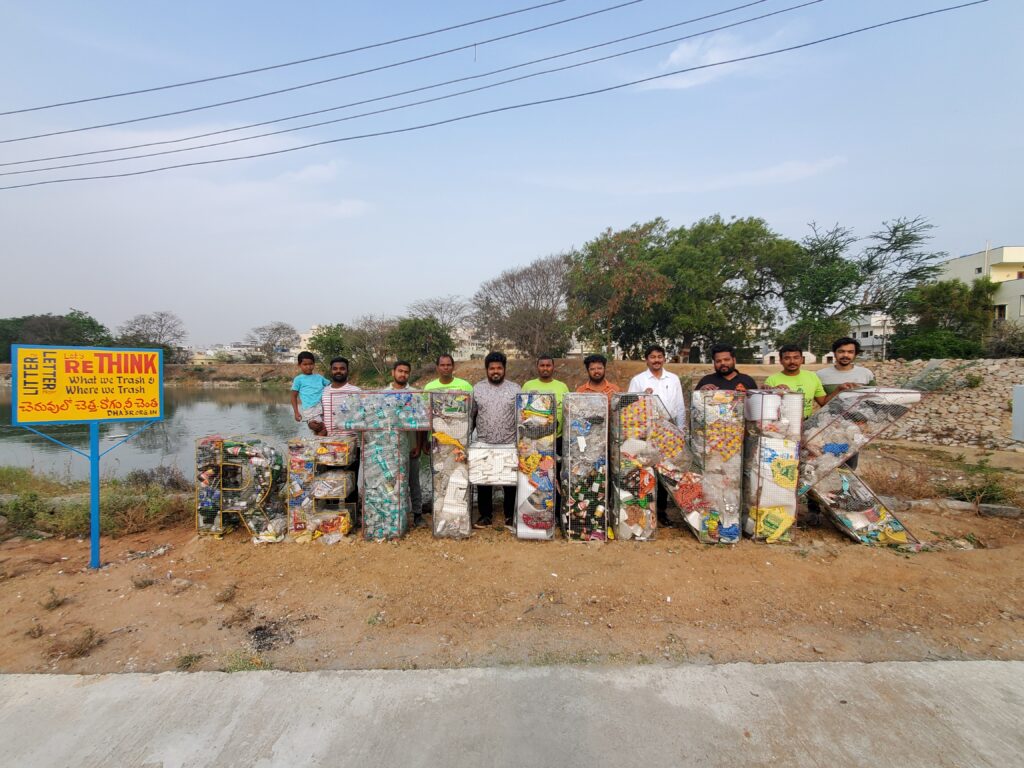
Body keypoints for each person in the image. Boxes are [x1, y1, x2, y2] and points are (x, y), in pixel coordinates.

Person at [628, 344, 686, 527]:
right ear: (647, 359)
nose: (656, 360)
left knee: (666, 471)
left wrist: (681, 430)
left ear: (664, 358)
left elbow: (679, 406)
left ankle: (662, 511)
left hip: (668, 431)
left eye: (659, 356)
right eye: (652, 357)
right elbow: (629, 404)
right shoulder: (638, 380)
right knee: (646, 470)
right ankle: (645, 510)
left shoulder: (673, 379)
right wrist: (642, 397)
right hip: (646, 431)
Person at [471, 351, 521, 529]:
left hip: (509, 442)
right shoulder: (477, 389)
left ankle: (510, 515)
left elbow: (521, 417)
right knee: (483, 481)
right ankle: (485, 516)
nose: (495, 371)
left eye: (499, 368)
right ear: (486, 370)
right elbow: (472, 416)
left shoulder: (515, 389)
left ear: (504, 369)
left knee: (510, 482)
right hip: (484, 442)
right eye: (492, 368)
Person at [816, 337, 877, 469]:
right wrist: (839, 390)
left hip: (855, 428)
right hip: (829, 426)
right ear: (834, 353)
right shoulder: (821, 375)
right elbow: (822, 402)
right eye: (841, 351)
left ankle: (846, 488)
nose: (845, 355)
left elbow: (874, 400)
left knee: (849, 465)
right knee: (826, 462)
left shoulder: (866, 374)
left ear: (856, 354)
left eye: (850, 352)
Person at [389, 360, 427, 528]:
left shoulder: (415, 394)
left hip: (411, 446)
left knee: (414, 482)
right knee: (394, 483)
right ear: (393, 373)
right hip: (390, 449)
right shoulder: (383, 394)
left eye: (406, 372)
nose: (403, 374)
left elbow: (422, 423)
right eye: (400, 371)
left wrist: (419, 446)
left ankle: (418, 515)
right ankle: (398, 515)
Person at [764, 344, 827, 419]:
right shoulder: (772, 380)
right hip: (782, 426)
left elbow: (823, 402)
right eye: (787, 358)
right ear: (781, 360)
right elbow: (767, 409)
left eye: (796, 358)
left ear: (801, 359)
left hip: (806, 425)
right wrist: (774, 393)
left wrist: (838, 389)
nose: (792, 361)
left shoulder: (812, 376)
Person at [310, 357, 361, 436]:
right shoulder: (323, 392)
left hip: (351, 442)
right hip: (328, 441)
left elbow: (364, 416)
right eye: (335, 369)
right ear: (331, 371)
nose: (338, 371)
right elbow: (316, 413)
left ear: (347, 371)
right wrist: (312, 423)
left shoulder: (356, 391)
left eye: (342, 368)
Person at [522, 355, 570, 436]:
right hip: (533, 436)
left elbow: (568, 411)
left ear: (553, 367)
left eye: (548, 365)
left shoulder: (562, 387)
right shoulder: (528, 386)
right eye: (542, 365)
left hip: (558, 437)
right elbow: (521, 410)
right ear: (537, 367)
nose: (545, 368)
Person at [290, 351, 330, 433]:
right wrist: (296, 412)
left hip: (323, 407)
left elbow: (331, 386)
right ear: (299, 365)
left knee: (325, 429)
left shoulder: (319, 377)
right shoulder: (298, 379)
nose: (308, 367)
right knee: (317, 427)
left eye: (311, 364)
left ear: (314, 364)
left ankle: (320, 444)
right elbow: (293, 396)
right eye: (305, 364)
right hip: (310, 409)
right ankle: (319, 444)